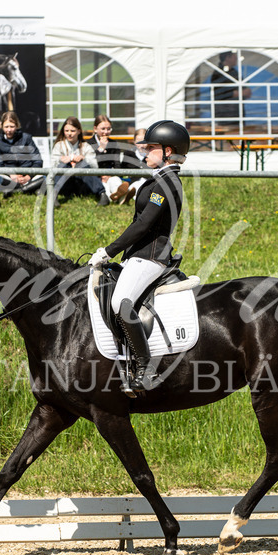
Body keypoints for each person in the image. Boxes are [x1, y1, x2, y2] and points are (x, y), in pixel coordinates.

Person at [87, 120, 189, 394]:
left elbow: (143, 225)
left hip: (151, 257)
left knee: (122, 301)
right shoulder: (159, 180)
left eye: (152, 147)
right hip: (137, 256)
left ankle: (145, 368)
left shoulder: (168, 183)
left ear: (169, 151)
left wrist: (108, 251)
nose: (145, 151)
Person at [51, 116, 109, 206]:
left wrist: (83, 160)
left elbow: (95, 167)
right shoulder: (59, 146)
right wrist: (67, 160)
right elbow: (52, 166)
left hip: (82, 184)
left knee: (82, 164)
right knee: (64, 165)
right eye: (67, 131)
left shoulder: (86, 146)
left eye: (72, 131)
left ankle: (102, 194)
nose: (69, 134)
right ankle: (54, 195)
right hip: (65, 184)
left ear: (79, 131)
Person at [88, 115, 141, 204]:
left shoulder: (114, 143)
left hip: (110, 174)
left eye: (108, 129)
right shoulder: (88, 143)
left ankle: (121, 198)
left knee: (115, 181)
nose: (106, 132)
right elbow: (90, 163)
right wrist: (101, 149)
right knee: (104, 187)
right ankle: (112, 198)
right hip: (95, 177)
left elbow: (117, 165)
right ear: (95, 129)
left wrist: (110, 174)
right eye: (103, 129)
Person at [0, 111, 44, 196]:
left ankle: (18, 190)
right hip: (10, 177)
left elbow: (38, 161)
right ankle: (30, 189)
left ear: (17, 126)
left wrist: (28, 176)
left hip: (28, 175)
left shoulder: (27, 138)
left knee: (46, 177)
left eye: (12, 126)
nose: (9, 130)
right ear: (2, 126)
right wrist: (11, 175)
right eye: (6, 127)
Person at [209, 51, 251, 121]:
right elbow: (220, 93)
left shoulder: (234, 72)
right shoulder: (218, 73)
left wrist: (245, 91)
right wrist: (240, 93)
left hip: (236, 112)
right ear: (227, 58)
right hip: (224, 114)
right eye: (234, 57)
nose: (236, 59)